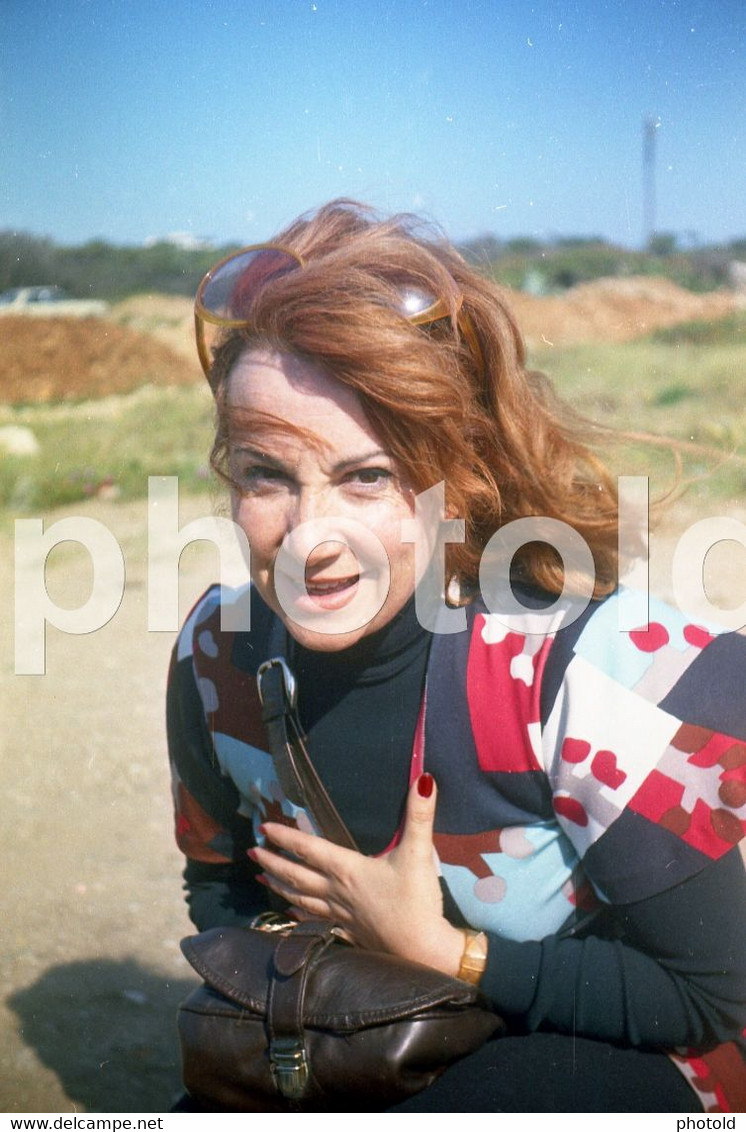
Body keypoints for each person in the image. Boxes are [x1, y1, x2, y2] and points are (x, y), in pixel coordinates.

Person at [167, 199, 746, 1112]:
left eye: (369, 478)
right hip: (380, 1038)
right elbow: (218, 886)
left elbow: (719, 998)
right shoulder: (216, 659)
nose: (313, 536)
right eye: (266, 474)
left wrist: (439, 952)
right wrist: (327, 1001)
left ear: (459, 486)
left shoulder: (595, 675)